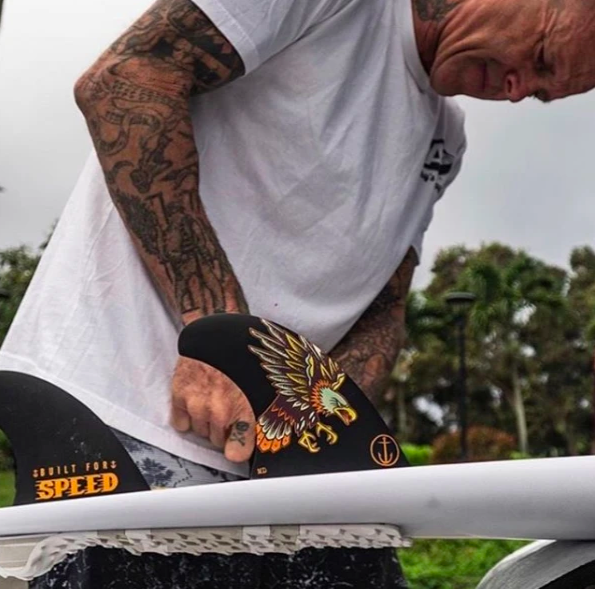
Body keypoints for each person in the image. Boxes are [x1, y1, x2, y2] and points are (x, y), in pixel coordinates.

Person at [1, 0, 594, 586]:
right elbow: (126, 77)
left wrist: (322, 428)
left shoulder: (445, 137)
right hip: (123, 420)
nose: (518, 91)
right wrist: (220, 342)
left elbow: (385, 304)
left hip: (281, 475)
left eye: (542, 95)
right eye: (541, 59)